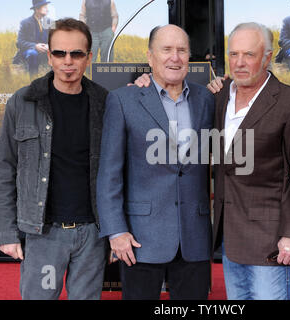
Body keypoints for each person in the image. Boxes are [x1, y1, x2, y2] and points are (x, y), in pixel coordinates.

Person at [96, 24, 215, 300]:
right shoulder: (123, 100)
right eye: (167, 50)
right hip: (139, 238)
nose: (175, 57)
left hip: (194, 237)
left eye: (182, 50)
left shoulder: (206, 99)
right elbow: (109, 174)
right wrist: (116, 230)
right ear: (150, 57)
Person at [0, 18, 109, 300]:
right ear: (49, 55)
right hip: (44, 233)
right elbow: (5, 169)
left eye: (76, 54)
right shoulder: (23, 101)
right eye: (59, 53)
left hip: (93, 234)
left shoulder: (106, 103)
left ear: (89, 57)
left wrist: (116, 232)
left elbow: (121, 171)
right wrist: (7, 233)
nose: (68, 61)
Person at [207, 22, 290, 300]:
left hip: (271, 238)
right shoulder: (219, 96)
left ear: (267, 58)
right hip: (230, 235)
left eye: (249, 55)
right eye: (233, 55)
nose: (239, 63)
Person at [12, 0, 51, 77]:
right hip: (31, 51)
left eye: (47, 7)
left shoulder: (49, 22)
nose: (47, 9)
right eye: (45, 7)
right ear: (37, 9)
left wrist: (49, 45)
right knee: (32, 53)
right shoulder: (25, 23)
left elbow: (55, 39)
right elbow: (19, 42)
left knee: (57, 53)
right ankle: (33, 80)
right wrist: (35, 46)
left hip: (46, 51)